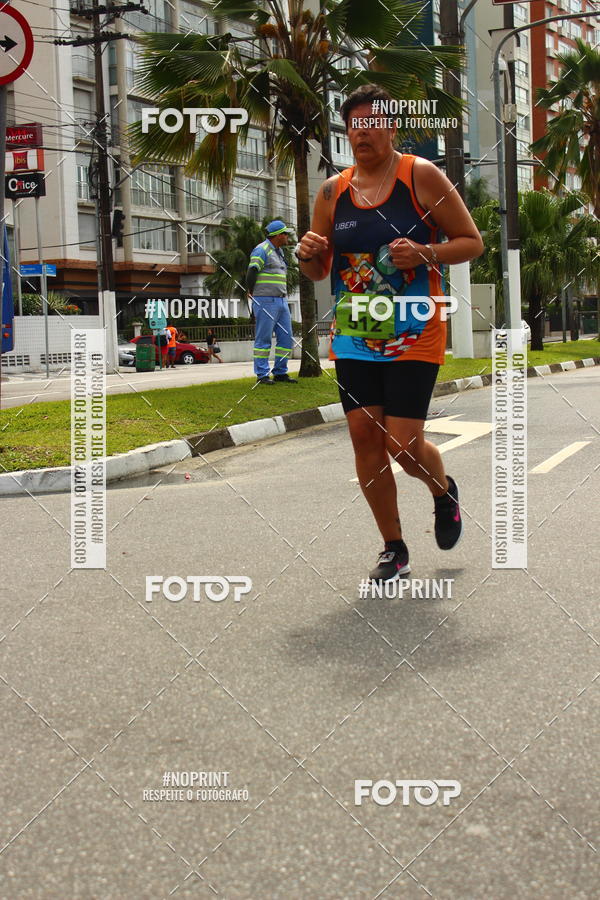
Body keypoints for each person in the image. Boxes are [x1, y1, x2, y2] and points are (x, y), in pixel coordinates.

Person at [297, 84, 484, 583]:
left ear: (391, 127)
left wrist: (426, 253)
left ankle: (443, 493)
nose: (362, 130)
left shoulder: (420, 175)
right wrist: (308, 252)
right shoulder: (331, 192)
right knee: (365, 441)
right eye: (353, 124)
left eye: (372, 121)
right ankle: (394, 548)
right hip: (356, 331)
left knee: (403, 445)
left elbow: (472, 242)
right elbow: (320, 272)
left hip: (415, 330)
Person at [246, 219, 297, 384]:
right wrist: (251, 290)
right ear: (278, 235)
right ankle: (262, 375)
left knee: (286, 338)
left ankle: (280, 372)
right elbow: (252, 270)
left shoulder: (279, 251)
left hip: (281, 301)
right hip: (265, 300)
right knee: (263, 339)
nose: (287, 236)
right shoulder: (262, 249)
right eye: (285, 234)